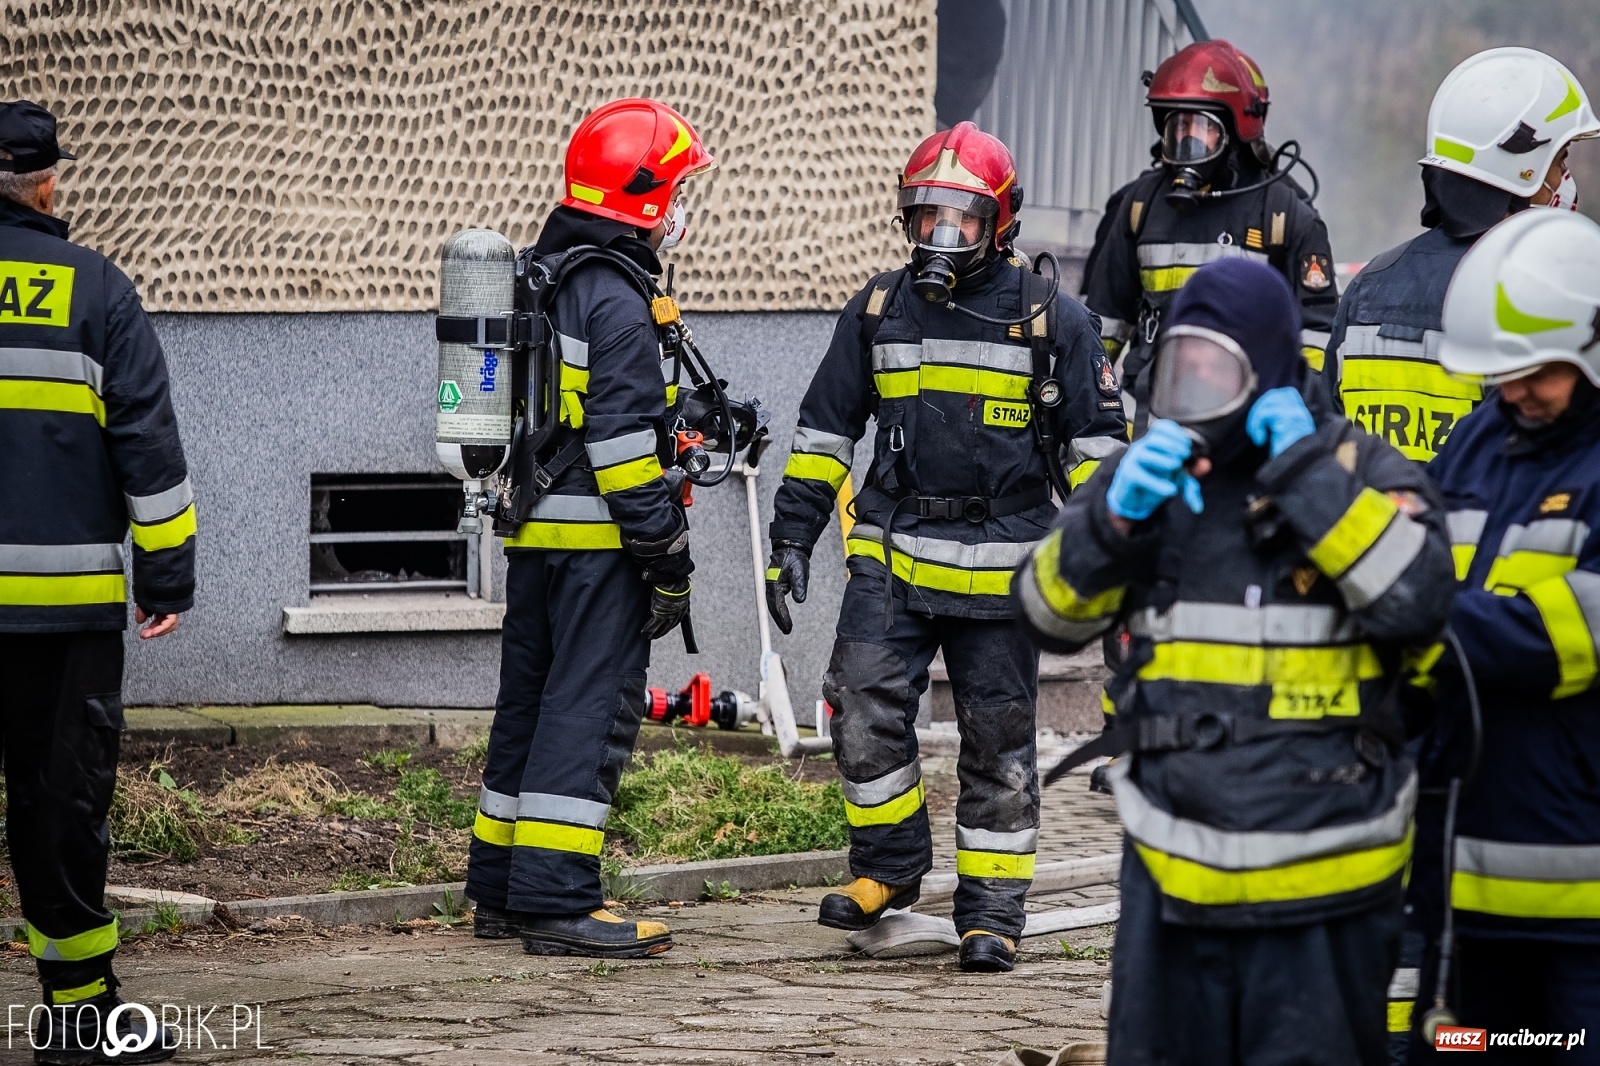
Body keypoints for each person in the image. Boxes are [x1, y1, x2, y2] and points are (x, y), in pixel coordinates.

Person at [1016, 258, 1455, 1063]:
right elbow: (1046, 614)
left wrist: (1310, 484)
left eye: (1222, 368)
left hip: (1327, 895)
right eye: (1186, 367)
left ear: (1274, 368)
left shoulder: (1361, 473)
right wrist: (1108, 524)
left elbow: (1419, 601)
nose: (1199, 392)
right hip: (1172, 888)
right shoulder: (1151, 480)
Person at [764, 121, 1127, 973]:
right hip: (892, 549)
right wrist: (792, 535)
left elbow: (1098, 458)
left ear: (1000, 222)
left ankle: (993, 911)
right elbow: (824, 433)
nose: (943, 236)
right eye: (928, 218)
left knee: (998, 741)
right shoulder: (881, 309)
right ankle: (887, 872)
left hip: (1006, 566)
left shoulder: (1055, 322)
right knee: (858, 710)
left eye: (962, 220)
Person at [463, 98, 713, 959]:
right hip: (601, 543)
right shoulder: (615, 294)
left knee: (528, 707)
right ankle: (559, 901)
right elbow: (619, 448)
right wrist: (666, 555)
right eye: (675, 190)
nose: (681, 208)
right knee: (587, 710)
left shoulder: (547, 270)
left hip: (535, 538)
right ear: (641, 197)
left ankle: (499, 892)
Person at [0, 100, 193, 1063]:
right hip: (61, 619)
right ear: (48, 184)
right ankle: (79, 1018)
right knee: (59, 806)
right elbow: (148, 453)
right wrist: (167, 577)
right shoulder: (97, 291)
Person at [1407, 208, 1600, 1059]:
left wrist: (1398, 606)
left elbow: (1562, 639)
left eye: (1535, 372)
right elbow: (1422, 556)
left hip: (1581, 913)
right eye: (1501, 374)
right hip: (1463, 889)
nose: (1514, 391)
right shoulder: (1489, 435)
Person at [1330, 48, 1599, 464]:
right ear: (1522, 168)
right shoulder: (1536, 297)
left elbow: (1329, 427)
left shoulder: (1369, 283)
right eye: (1559, 160)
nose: (1565, 179)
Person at [1084, 40, 1337, 425]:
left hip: (1249, 426)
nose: (1187, 140)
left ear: (1237, 131)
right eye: (1177, 126)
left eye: (1201, 127)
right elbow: (1106, 320)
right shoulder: (1140, 206)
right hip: (1157, 419)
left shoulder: (1284, 214)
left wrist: (1299, 415)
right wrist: (1086, 401)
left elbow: (1317, 335)